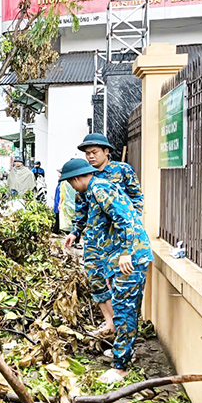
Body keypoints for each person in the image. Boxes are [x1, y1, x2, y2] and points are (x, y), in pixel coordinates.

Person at [59, 158, 151, 383]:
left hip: (131, 258)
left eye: (71, 183)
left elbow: (126, 219)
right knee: (123, 307)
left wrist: (127, 252)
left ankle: (121, 367)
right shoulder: (94, 189)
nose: (72, 188)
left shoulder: (100, 189)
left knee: (124, 308)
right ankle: (123, 354)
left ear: (76, 178)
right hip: (121, 257)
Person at [63, 133, 143, 336]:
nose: (90, 156)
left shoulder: (121, 170)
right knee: (95, 278)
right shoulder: (83, 174)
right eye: (87, 153)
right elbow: (81, 208)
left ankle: (123, 329)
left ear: (106, 151)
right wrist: (75, 231)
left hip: (119, 236)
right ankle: (110, 322)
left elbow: (136, 199)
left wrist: (131, 227)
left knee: (120, 281)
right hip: (95, 237)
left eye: (94, 152)